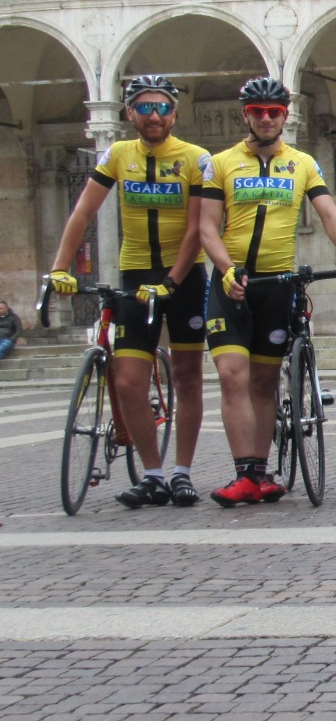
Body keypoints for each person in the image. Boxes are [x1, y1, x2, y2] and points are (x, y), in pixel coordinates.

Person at [47, 74, 212, 508]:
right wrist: (60, 267)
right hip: (136, 274)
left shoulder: (196, 158)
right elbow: (84, 212)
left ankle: (182, 473)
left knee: (187, 376)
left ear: (175, 114)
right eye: (144, 107)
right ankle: (153, 473)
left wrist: (172, 281)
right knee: (128, 381)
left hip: (184, 276)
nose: (154, 115)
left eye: (162, 108)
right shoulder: (119, 155)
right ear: (129, 114)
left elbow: (198, 228)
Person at [198, 77, 336, 506]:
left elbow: (329, 211)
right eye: (259, 111)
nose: (267, 118)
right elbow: (206, 228)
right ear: (246, 115)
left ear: (285, 116)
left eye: (274, 111)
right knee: (232, 375)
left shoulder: (303, 163)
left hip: (276, 284)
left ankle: (259, 472)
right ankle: (243, 474)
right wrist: (226, 268)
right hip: (231, 282)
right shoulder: (220, 162)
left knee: (265, 380)